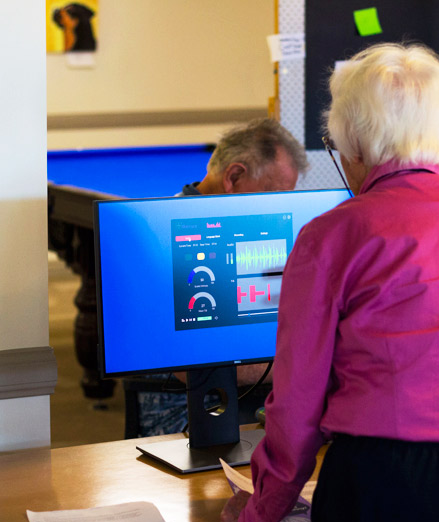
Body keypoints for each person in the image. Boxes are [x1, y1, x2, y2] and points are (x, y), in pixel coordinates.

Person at [220, 43, 439, 522]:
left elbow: (296, 402)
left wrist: (260, 513)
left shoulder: (331, 235)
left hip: (383, 478)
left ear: (357, 142)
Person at [132, 117, 308, 437]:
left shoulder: (246, 230)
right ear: (234, 176)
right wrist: (306, 362)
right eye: (273, 195)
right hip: (189, 414)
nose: (279, 208)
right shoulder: (168, 235)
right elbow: (194, 368)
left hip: (248, 395)